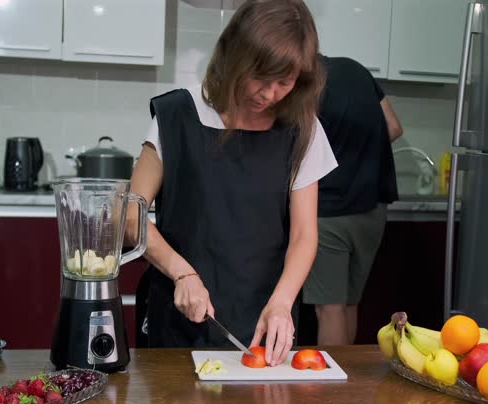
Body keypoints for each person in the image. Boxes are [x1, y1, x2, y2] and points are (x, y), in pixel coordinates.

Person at [127, 0, 337, 366]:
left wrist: (282, 303)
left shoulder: (303, 129)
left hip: (264, 326)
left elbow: (305, 235)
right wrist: (182, 272)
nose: (269, 93)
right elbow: (131, 215)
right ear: (234, 55)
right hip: (181, 323)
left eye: (284, 81)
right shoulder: (177, 114)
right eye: (260, 75)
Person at [303, 55, 404, 345]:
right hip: (372, 209)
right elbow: (394, 127)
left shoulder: (306, 84)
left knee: (329, 308)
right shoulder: (357, 69)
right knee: (349, 303)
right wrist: (359, 155)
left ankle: (332, 389)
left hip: (330, 211)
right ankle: (348, 384)